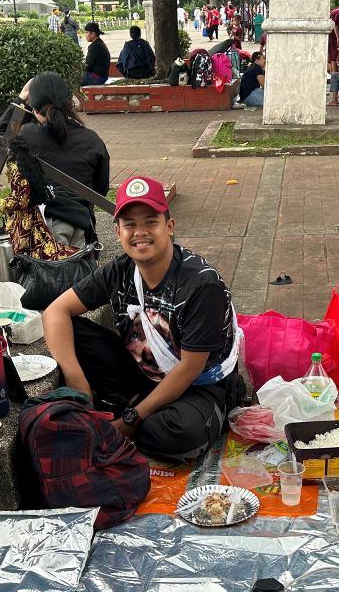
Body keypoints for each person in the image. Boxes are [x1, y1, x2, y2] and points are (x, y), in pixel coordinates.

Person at [43, 175, 243, 464]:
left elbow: (189, 368)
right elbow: (55, 312)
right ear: (118, 232)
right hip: (141, 370)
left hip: (198, 385)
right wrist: (76, 379)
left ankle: (135, 411)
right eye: (130, 224)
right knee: (71, 331)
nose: (140, 232)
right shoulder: (119, 270)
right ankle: (135, 404)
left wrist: (132, 419)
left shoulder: (201, 285)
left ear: (169, 227)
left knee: (178, 435)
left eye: (151, 222)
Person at [12, 73, 111, 250]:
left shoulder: (27, 135)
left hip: (38, 235)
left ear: (34, 109)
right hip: (83, 228)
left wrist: (21, 98)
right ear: (70, 103)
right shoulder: (92, 140)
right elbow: (100, 190)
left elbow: (2, 139)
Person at [81, 21, 111, 86]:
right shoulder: (100, 43)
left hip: (97, 77)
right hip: (102, 76)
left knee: (72, 78)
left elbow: (87, 65)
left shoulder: (94, 46)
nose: (85, 35)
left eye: (87, 33)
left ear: (93, 34)